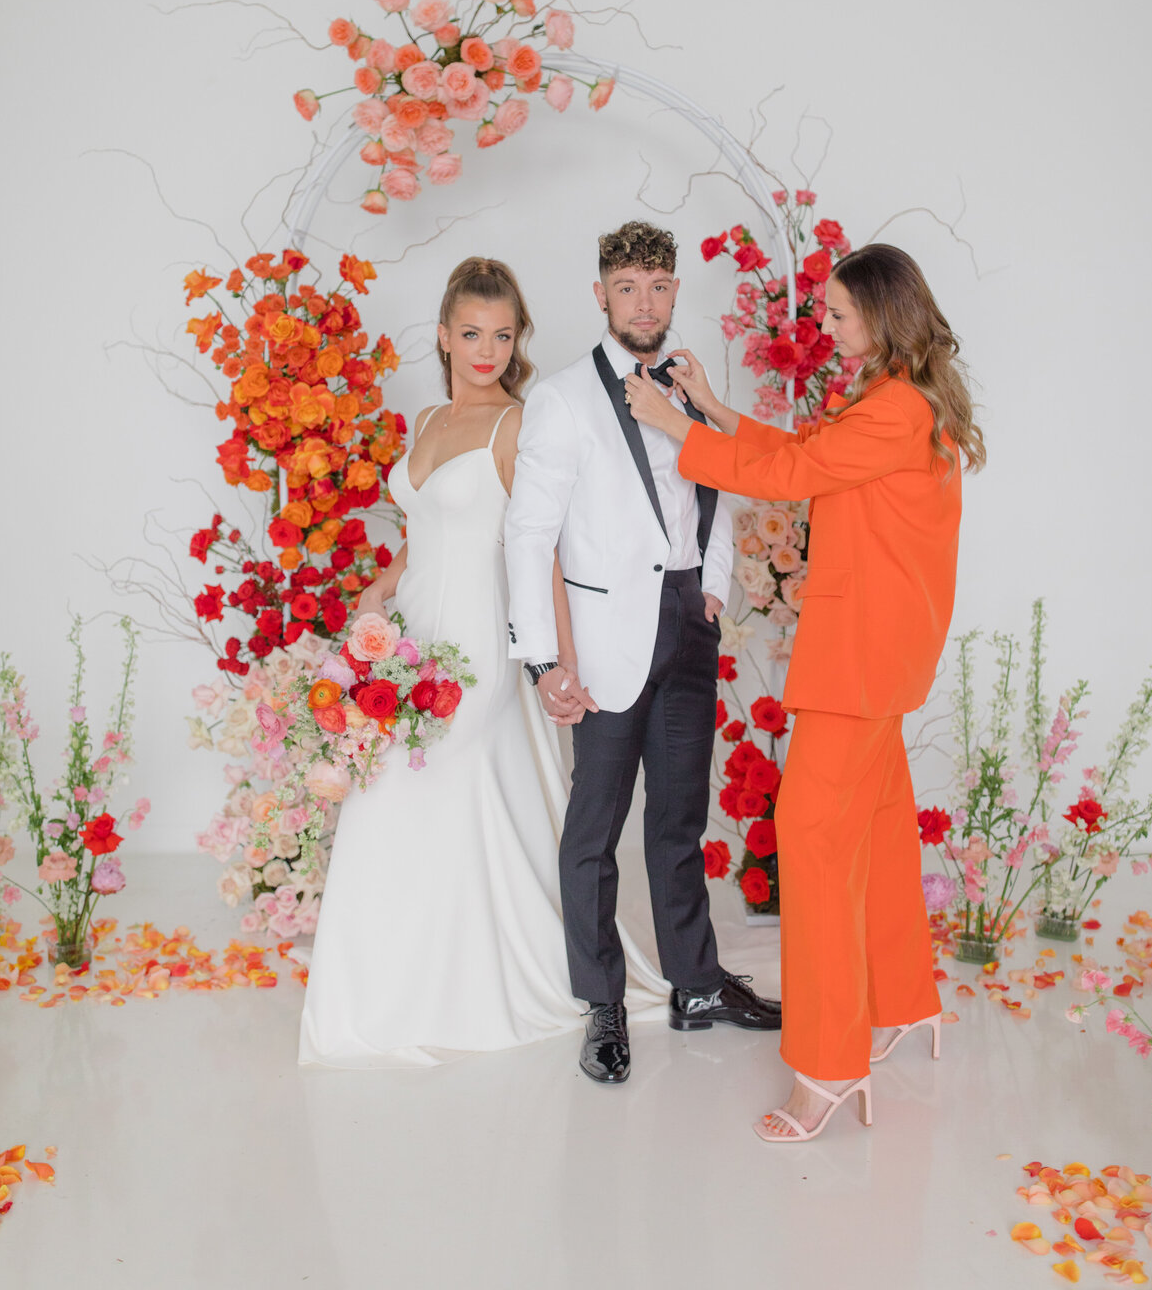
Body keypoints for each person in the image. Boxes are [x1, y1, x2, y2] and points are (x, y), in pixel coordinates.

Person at [624, 242, 985, 1140]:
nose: (822, 329)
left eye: (837, 315)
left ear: (883, 314)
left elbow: (789, 479)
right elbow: (812, 457)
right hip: (881, 660)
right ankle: (905, 1000)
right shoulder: (896, 401)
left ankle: (827, 1068)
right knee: (878, 834)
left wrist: (677, 430)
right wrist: (710, 408)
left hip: (858, 664)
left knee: (815, 846)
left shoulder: (894, 407)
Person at [299, 257, 665, 1067]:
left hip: (479, 650)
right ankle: (390, 985)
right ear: (443, 335)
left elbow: (545, 547)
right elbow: (424, 529)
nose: (487, 350)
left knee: (423, 792)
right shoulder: (425, 418)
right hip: (413, 639)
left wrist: (561, 661)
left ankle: (449, 986)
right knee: (389, 798)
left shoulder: (518, 424)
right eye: (471, 333)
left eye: (503, 335)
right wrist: (380, 589)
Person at [506, 220, 782, 1086]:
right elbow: (528, 534)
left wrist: (712, 587)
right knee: (595, 829)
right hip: (601, 638)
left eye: (658, 287)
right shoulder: (559, 399)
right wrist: (544, 660)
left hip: (686, 620)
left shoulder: (692, 383)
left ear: (673, 292)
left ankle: (696, 985)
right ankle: (604, 1003)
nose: (644, 302)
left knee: (678, 819)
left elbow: (723, 490)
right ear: (599, 294)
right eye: (627, 287)